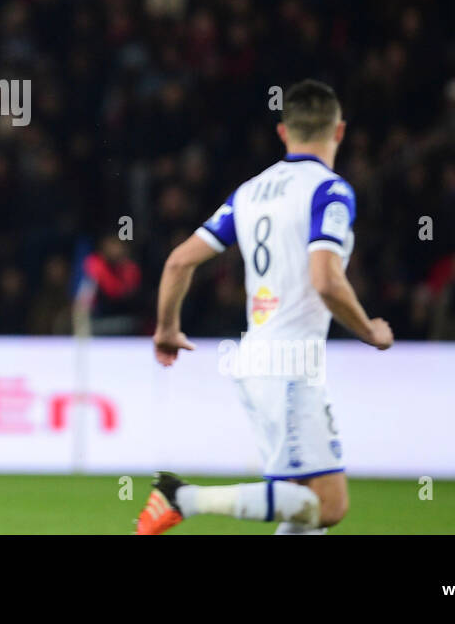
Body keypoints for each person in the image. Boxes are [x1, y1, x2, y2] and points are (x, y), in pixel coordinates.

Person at [136, 80, 393, 535]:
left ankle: (183, 498)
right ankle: (183, 497)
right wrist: (370, 331)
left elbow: (179, 261)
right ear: (339, 131)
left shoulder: (250, 192)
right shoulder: (330, 192)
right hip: (290, 362)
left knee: (303, 508)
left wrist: (167, 329)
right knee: (327, 504)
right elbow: (326, 279)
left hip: (256, 356)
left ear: (282, 132)